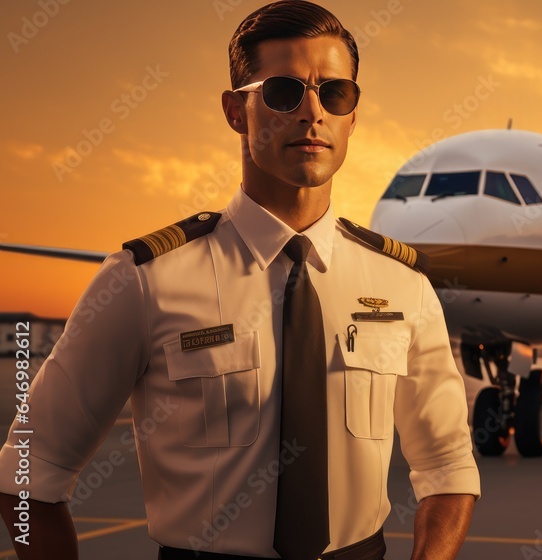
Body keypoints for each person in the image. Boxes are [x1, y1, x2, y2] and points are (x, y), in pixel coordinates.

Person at [0, 2, 480, 558]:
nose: (312, 113)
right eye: (283, 92)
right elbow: (28, 472)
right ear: (236, 110)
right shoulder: (143, 281)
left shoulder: (402, 283)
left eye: (334, 94)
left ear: (353, 114)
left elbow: (447, 467)